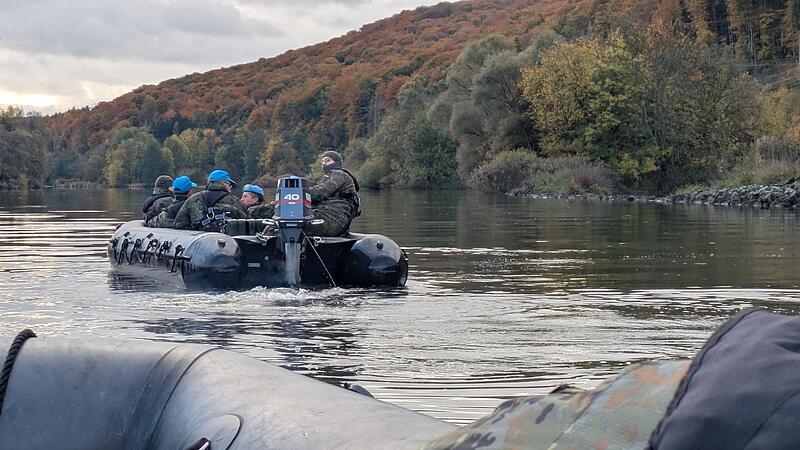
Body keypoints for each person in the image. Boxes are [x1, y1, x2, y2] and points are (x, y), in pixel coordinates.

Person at [304, 150, 360, 237]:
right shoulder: (326, 178)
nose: (324, 164)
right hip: (323, 215)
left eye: (327, 160)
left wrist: (298, 193)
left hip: (333, 219)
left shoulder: (340, 175)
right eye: (322, 161)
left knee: (295, 219)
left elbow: (320, 192)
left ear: (337, 162)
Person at [173, 169, 247, 231]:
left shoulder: (192, 199)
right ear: (224, 183)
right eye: (229, 185)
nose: (230, 188)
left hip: (200, 242)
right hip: (230, 242)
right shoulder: (235, 201)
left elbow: (178, 225)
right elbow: (248, 224)